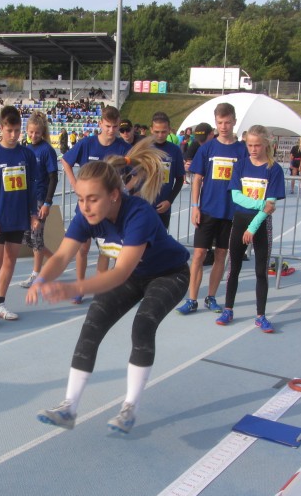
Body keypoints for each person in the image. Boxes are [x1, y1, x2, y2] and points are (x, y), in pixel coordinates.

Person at [30, 140, 190, 434]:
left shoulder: (139, 214)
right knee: (92, 323)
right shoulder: (87, 216)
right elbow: (63, 256)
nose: (85, 207)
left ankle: (129, 408)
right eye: (80, 199)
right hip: (134, 275)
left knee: (143, 324)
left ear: (114, 195)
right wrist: (42, 279)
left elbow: (120, 273)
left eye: (92, 199)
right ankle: (68, 408)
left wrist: (73, 288)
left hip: (169, 274)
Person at [176, 103, 247, 315]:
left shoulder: (242, 150)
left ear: (234, 121)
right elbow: (197, 179)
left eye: (227, 122)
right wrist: (195, 206)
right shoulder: (207, 148)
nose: (224, 126)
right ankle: (191, 299)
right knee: (198, 254)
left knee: (221, 254)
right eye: (220, 122)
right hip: (207, 210)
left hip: (231, 212)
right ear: (215, 122)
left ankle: (211, 297)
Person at [214, 125, 285, 332]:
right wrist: (260, 204)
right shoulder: (241, 165)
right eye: (250, 145)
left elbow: (271, 205)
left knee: (261, 271)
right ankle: (228, 309)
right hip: (239, 221)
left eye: (257, 145)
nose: (253, 149)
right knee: (233, 268)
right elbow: (236, 197)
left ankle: (260, 316)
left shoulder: (274, 169)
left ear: (266, 145)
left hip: (261, 224)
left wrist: (253, 227)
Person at [0, 106, 39, 331]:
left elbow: (32, 186)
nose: (13, 135)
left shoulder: (27, 155)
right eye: (9, 130)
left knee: (10, 260)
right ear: (1, 128)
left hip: (18, 217)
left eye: (17, 130)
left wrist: (33, 213)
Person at [62, 105, 130, 303]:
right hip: (87, 207)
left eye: (115, 127)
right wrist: (75, 183)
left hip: (110, 209)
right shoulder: (87, 144)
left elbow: (139, 170)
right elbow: (66, 161)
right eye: (107, 126)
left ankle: (104, 288)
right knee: (82, 248)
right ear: (100, 124)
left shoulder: (123, 148)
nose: (111, 130)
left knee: (108, 250)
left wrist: (126, 188)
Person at [19, 111, 58, 288]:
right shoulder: (25, 149)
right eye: (31, 132)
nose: (34, 135)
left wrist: (47, 203)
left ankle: (36, 274)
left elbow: (53, 178)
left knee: (36, 237)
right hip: (26, 199)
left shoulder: (47, 151)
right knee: (27, 238)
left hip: (40, 199)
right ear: (26, 131)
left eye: (37, 132)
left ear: (43, 133)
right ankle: (56, 262)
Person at [149, 111, 185, 230]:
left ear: (169, 130)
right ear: (151, 130)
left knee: (160, 240)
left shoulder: (175, 150)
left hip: (163, 208)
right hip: (144, 206)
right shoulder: (143, 148)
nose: (160, 135)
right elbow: (134, 177)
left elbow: (180, 179)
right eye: (157, 132)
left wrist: (169, 201)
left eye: (163, 132)